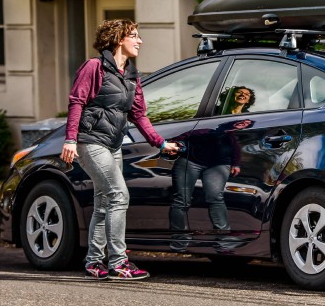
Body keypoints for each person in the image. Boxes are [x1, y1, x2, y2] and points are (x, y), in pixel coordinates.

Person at [60, 19, 180, 280]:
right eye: (134, 36)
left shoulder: (131, 75)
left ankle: (94, 261)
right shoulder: (95, 67)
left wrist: (160, 143)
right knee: (118, 196)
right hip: (90, 141)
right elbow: (77, 102)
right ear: (118, 39)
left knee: (104, 202)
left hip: (113, 144)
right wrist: (70, 140)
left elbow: (139, 115)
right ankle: (118, 262)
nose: (140, 41)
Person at [169, 118, 254, 252]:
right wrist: (176, 143)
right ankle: (179, 241)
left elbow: (235, 146)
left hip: (218, 163)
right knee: (181, 200)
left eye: (247, 124)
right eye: (243, 122)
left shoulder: (231, 133)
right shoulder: (209, 125)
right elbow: (185, 133)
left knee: (215, 197)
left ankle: (224, 241)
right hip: (190, 160)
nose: (245, 124)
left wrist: (236, 163)